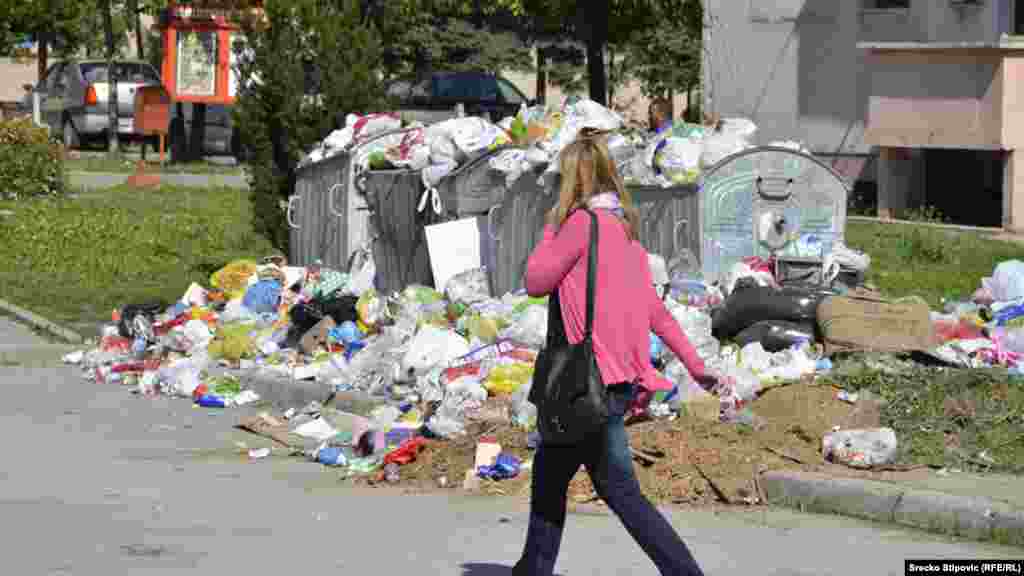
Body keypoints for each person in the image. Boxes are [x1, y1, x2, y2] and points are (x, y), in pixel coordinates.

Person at [514, 134, 729, 576]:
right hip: (613, 383)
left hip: (583, 385)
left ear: (572, 181)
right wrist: (696, 367)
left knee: (611, 490)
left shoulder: (577, 227)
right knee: (559, 479)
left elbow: (535, 280)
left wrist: (549, 229)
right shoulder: (623, 233)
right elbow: (657, 314)